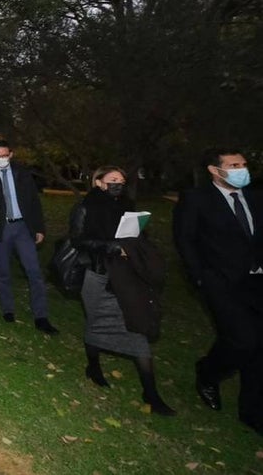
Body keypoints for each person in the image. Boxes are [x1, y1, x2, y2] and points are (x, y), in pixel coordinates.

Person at [71, 167, 174, 416]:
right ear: (99, 182)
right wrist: (114, 248)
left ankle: (151, 393)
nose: (118, 183)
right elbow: (78, 240)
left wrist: (134, 241)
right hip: (97, 274)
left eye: (122, 180)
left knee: (135, 327)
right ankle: (93, 367)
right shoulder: (84, 207)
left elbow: (137, 237)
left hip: (125, 277)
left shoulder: (127, 207)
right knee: (95, 323)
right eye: (113, 179)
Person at [173, 148, 263, 434]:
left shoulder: (256, 198)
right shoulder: (196, 199)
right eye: (234, 165)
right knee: (243, 340)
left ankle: (252, 412)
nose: (241, 169)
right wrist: (200, 278)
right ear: (214, 170)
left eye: (243, 164)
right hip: (220, 282)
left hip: (257, 281)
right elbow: (185, 239)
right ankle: (208, 372)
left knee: (259, 346)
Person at [0, 141, 58, 334]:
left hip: (22, 227)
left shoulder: (22, 172)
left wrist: (39, 228)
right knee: (2, 271)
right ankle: (8, 310)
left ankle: (41, 316)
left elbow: (34, 201)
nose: (1, 158)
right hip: (0, 228)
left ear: (11, 154)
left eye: (4, 155)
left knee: (34, 271)